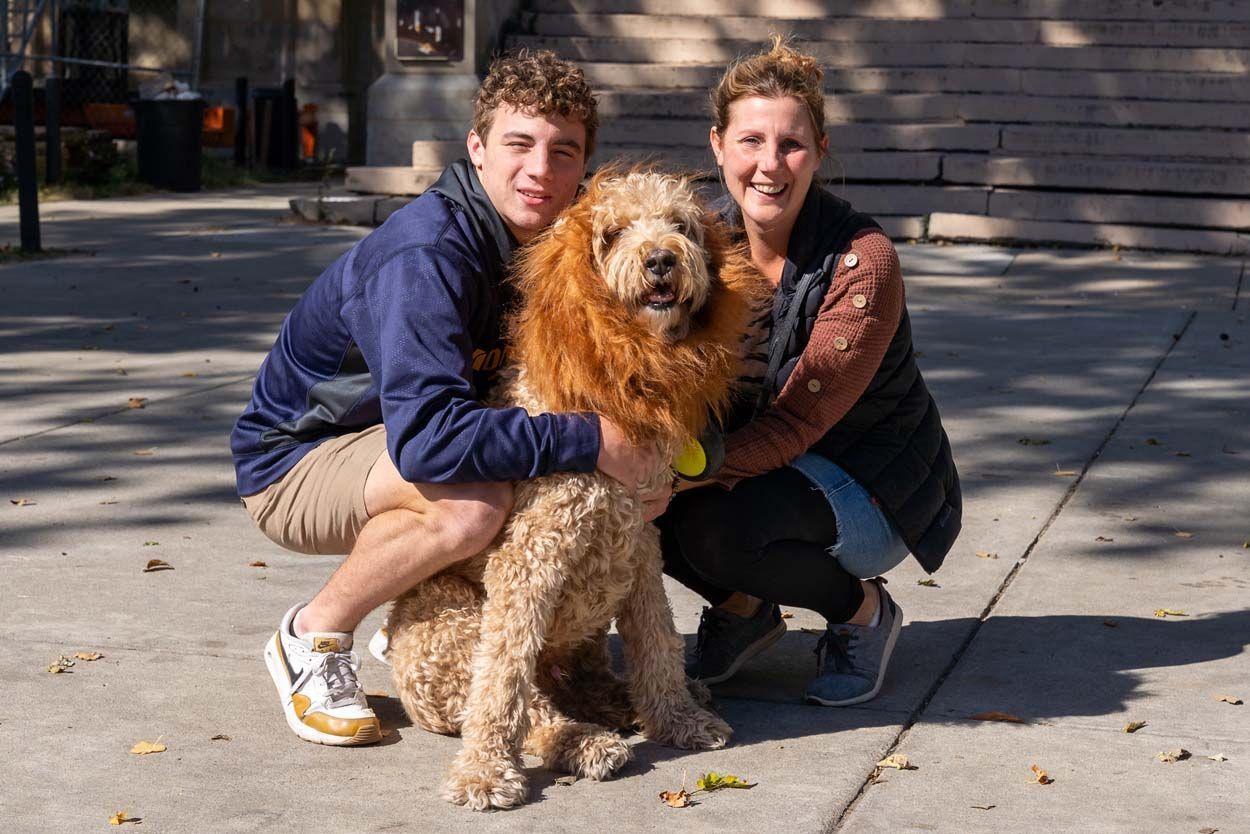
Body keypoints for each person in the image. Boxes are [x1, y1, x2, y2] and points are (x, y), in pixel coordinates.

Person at [231, 50, 666, 746]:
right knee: (472, 502)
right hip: (297, 462)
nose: (540, 170)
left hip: (398, 442)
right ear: (476, 147)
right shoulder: (427, 256)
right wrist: (594, 442)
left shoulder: (560, 243)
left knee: (560, 480)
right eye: (518, 144)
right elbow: (431, 438)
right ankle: (314, 633)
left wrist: (664, 458)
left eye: (564, 151)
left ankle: (420, 617)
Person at [660, 37, 961, 707]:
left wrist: (679, 474)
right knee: (629, 499)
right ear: (718, 145)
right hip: (761, 466)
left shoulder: (864, 262)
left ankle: (864, 616)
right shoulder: (698, 244)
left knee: (709, 524)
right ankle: (745, 613)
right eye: (750, 141)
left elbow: (798, 421)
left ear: (820, 151)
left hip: (867, 479)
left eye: (791, 145)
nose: (770, 165)